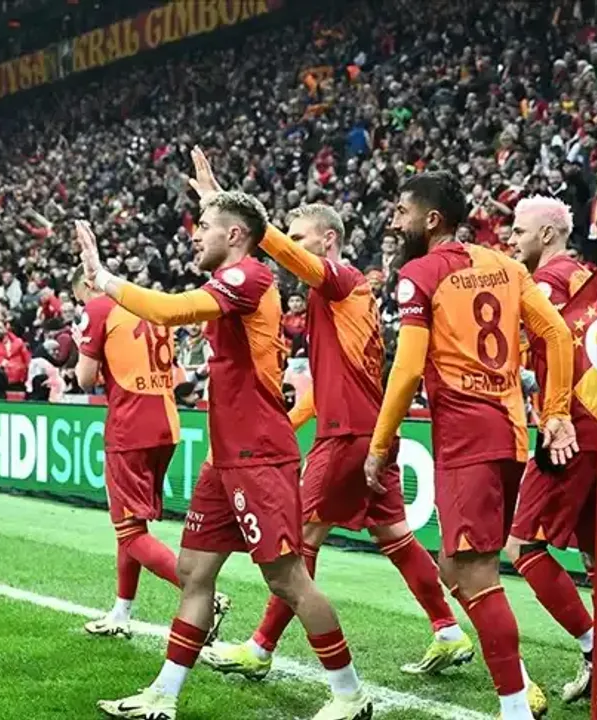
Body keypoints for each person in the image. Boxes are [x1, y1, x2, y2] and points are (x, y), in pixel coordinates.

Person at [76, 195, 371, 720]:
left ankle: (349, 694)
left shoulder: (251, 276)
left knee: (287, 579)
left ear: (234, 235)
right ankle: (163, 695)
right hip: (225, 457)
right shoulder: (230, 280)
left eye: (205, 225)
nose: (194, 235)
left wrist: (102, 278)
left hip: (259, 456)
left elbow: (170, 309)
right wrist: (214, 194)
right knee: (193, 571)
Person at [185, 150, 473, 679]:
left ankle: (261, 647)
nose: (291, 249)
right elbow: (326, 385)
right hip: (365, 430)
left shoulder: (340, 280)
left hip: (345, 437)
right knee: (394, 536)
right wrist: (291, 423)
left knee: (298, 544)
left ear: (328, 240)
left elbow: (284, 255)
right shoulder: (336, 296)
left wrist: (231, 209)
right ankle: (448, 630)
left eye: (300, 239)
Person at [365, 171, 579, 720]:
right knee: (454, 566)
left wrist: (381, 444)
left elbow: (407, 369)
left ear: (432, 219)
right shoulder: (506, 265)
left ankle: (515, 706)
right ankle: (519, 686)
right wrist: (555, 411)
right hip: (509, 434)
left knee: (476, 573)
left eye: (402, 212)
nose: (394, 222)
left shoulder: (419, 274)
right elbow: (557, 334)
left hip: (466, 438)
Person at [504, 196, 597, 703]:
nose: (511, 239)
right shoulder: (584, 278)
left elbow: (550, 348)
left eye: (519, 230)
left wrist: (549, 411)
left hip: (572, 429)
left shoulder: (546, 282)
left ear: (547, 234)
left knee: (523, 547)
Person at [69, 266, 222, 642]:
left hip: (130, 427)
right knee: (132, 526)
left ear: (88, 284)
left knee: (129, 531)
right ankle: (121, 612)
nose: (81, 304)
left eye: (79, 297)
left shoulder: (99, 308)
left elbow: (84, 379)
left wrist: (85, 350)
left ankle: (205, 596)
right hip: (165, 424)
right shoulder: (145, 303)